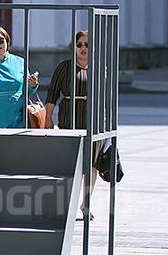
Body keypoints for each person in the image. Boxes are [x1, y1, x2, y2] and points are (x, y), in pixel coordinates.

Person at [44, 30, 100, 220]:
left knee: (92, 165)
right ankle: (66, 203)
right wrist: (48, 118)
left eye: (87, 45)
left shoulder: (98, 68)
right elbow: (52, 94)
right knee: (70, 163)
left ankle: (86, 203)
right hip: (69, 119)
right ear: (74, 47)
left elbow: (106, 97)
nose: (83, 48)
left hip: (92, 120)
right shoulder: (65, 67)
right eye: (79, 44)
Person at [0, 26, 39, 128]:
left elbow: (27, 92)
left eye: (1, 40)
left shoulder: (20, 62)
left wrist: (33, 85)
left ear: (7, 41)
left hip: (18, 118)